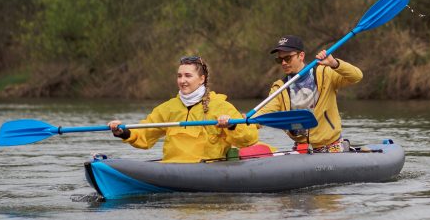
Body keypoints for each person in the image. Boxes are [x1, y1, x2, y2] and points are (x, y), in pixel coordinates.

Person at [108, 55, 259, 162]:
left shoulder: (220, 106)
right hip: (171, 168)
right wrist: (123, 132)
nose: (182, 81)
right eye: (179, 76)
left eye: (188, 76)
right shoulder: (168, 108)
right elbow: (144, 135)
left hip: (208, 170)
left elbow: (249, 139)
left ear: (202, 79)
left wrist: (232, 125)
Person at [254, 35, 362, 152]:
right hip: (302, 150)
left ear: (301, 56)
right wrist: (240, 122)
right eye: (280, 60)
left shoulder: (325, 73)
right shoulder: (280, 87)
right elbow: (263, 113)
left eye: (288, 58)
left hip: (331, 147)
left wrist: (334, 63)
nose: (284, 63)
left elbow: (356, 76)